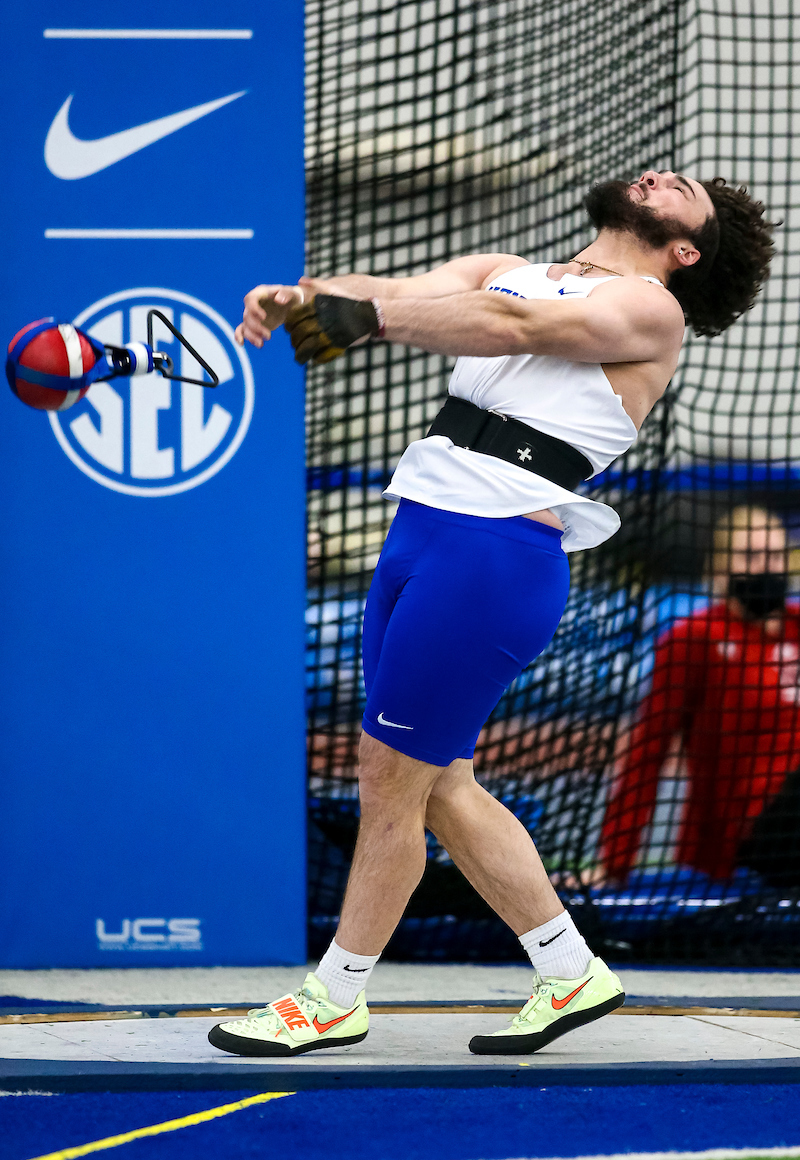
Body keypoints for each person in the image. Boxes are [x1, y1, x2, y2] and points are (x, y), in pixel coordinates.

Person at [208, 170, 774, 1058]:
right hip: (421, 536)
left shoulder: (651, 307)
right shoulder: (505, 264)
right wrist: (305, 295)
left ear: (686, 248)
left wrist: (371, 319)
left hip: (493, 554)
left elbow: (515, 329)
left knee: (389, 782)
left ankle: (334, 996)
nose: (666, 172)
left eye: (686, 191)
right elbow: (395, 292)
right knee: (441, 784)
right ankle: (569, 969)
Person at [597, 505, 800, 887]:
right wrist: (615, 866)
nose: (765, 568)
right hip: (736, 840)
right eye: (750, 556)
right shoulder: (694, 638)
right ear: (720, 569)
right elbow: (647, 754)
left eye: (774, 556)